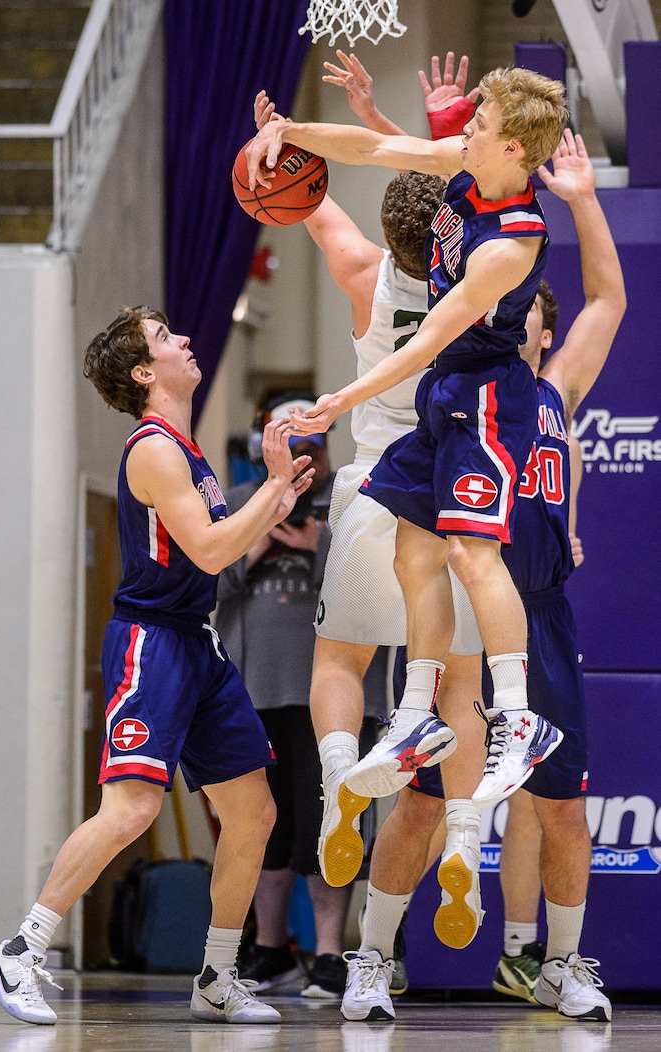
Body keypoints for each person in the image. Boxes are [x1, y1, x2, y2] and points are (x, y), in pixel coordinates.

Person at [340, 129, 625, 1023]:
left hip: (544, 614)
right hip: (469, 613)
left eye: (537, 306)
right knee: (421, 807)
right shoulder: (467, 392)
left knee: (565, 808)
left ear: (540, 326)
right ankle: (372, 957)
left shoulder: (558, 391)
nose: (529, 311)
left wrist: (582, 198)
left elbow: (610, 300)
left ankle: (561, 964)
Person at [0, 306, 317, 1027]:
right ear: (142, 372)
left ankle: (218, 976)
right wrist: (271, 488)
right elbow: (215, 551)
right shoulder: (155, 450)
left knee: (253, 813)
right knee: (131, 809)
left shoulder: (187, 452)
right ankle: (22, 948)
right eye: (166, 338)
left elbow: (225, 540)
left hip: (199, 642)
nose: (185, 340)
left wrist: (277, 488)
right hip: (152, 643)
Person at [247, 62, 568, 810]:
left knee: (471, 551)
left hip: (488, 397)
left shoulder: (512, 245)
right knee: (412, 544)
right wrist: (287, 132)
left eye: (480, 124)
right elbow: (369, 149)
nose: (466, 128)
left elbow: (431, 337)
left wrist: (339, 400)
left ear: (514, 150)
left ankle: (518, 717)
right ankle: (417, 716)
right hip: (442, 395)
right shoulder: (467, 165)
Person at [254, 66, 487, 985]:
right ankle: (464, 831)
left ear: (391, 236)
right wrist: (425, 126)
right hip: (456, 501)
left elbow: (312, 205)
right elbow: (469, 194)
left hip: (371, 491)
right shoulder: (485, 288)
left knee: (340, 663)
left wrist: (290, 138)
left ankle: (339, 781)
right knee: (461, 686)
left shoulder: (363, 274)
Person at [214, 393, 387, 998]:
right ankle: (267, 948)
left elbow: (378, 590)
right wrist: (263, 538)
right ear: (269, 441)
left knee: (331, 824)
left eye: (312, 439)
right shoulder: (239, 505)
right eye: (289, 437)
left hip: (339, 697)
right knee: (267, 825)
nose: (302, 450)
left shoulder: (354, 505)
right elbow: (213, 578)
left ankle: (330, 953)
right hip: (254, 689)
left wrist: (317, 551)